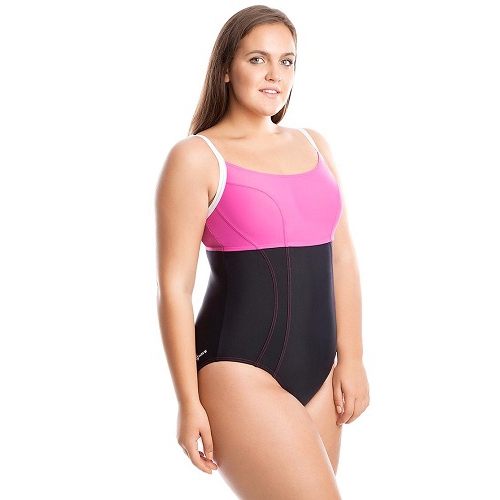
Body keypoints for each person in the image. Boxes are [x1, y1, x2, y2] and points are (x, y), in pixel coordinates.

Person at [155, 5, 369, 499]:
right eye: (258, 59)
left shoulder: (315, 145)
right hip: (237, 370)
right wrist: (187, 401)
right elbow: (174, 288)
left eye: (286, 61)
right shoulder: (197, 157)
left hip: (321, 372)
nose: (275, 74)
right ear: (226, 69)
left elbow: (343, 258)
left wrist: (353, 357)